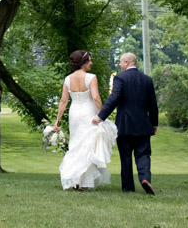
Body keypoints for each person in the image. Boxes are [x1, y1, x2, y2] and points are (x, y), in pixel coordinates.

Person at [92, 52, 159, 195]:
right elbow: (153, 104)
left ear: (127, 62)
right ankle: (145, 179)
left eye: (121, 62)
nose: (120, 65)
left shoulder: (120, 78)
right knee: (143, 154)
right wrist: (154, 124)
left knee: (126, 156)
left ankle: (128, 188)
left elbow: (114, 98)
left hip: (125, 125)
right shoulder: (147, 80)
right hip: (143, 125)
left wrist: (100, 116)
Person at [53, 49, 116, 190]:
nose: (91, 63)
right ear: (83, 63)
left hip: (74, 113)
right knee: (87, 145)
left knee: (75, 144)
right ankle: (85, 183)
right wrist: (101, 115)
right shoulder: (91, 77)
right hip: (88, 113)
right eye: (89, 61)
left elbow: (63, 101)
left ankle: (75, 179)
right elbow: (95, 97)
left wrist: (58, 120)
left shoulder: (68, 79)